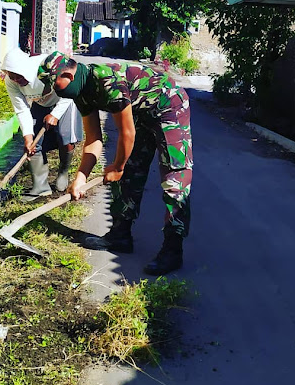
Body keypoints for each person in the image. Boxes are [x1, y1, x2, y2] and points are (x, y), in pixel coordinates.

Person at [43, 51, 193, 276]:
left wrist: (117, 166)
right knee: (130, 173)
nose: (52, 90)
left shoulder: (106, 81)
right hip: (142, 112)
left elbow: (126, 132)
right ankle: (120, 236)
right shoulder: (81, 93)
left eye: (53, 83)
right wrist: (81, 177)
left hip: (169, 106)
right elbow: (93, 139)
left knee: (175, 178)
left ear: (68, 74)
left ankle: (173, 249)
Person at [0, 48, 83, 200]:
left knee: (66, 137)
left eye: (19, 76)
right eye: (13, 77)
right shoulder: (10, 82)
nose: (17, 81)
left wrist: (55, 114)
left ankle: (63, 172)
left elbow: (71, 87)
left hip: (65, 100)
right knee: (33, 146)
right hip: (40, 103)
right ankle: (41, 186)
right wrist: (27, 136)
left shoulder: (47, 65)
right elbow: (22, 109)